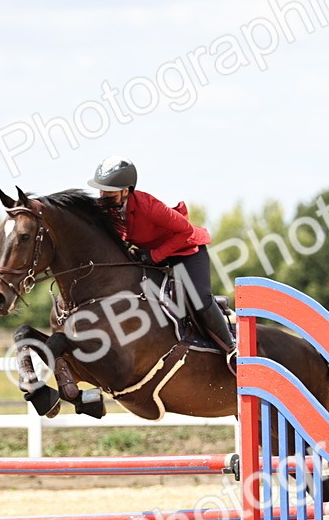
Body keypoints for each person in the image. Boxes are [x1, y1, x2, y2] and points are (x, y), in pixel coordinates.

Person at [87, 155, 237, 373]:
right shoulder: (109, 209)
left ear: (126, 191)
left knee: (198, 298)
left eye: (108, 191)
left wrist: (155, 255)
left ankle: (232, 349)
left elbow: (186, 230)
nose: (103, 195)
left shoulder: (149, 206)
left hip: (187, 250)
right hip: (154, 254)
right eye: (101, 190)